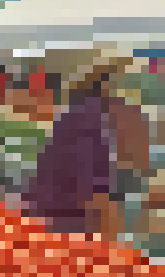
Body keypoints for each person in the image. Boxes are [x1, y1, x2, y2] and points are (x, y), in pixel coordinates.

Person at [21, 46, 142, 236]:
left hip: (48, 222)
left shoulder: (77, 114)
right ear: (105, 84)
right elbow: (96, 197)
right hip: (64, 231)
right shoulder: (92, 122)